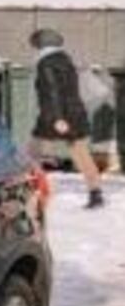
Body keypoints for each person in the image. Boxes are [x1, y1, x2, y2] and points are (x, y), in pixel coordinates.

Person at [30, 28, 104, 209]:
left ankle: (34, 192)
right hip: (75, 114)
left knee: (32, 152)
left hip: (55, 115)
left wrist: (57, 119)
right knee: (81, 153)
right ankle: (95, 193)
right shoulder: (65, 60)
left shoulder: (45, 63)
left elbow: (52, 92)